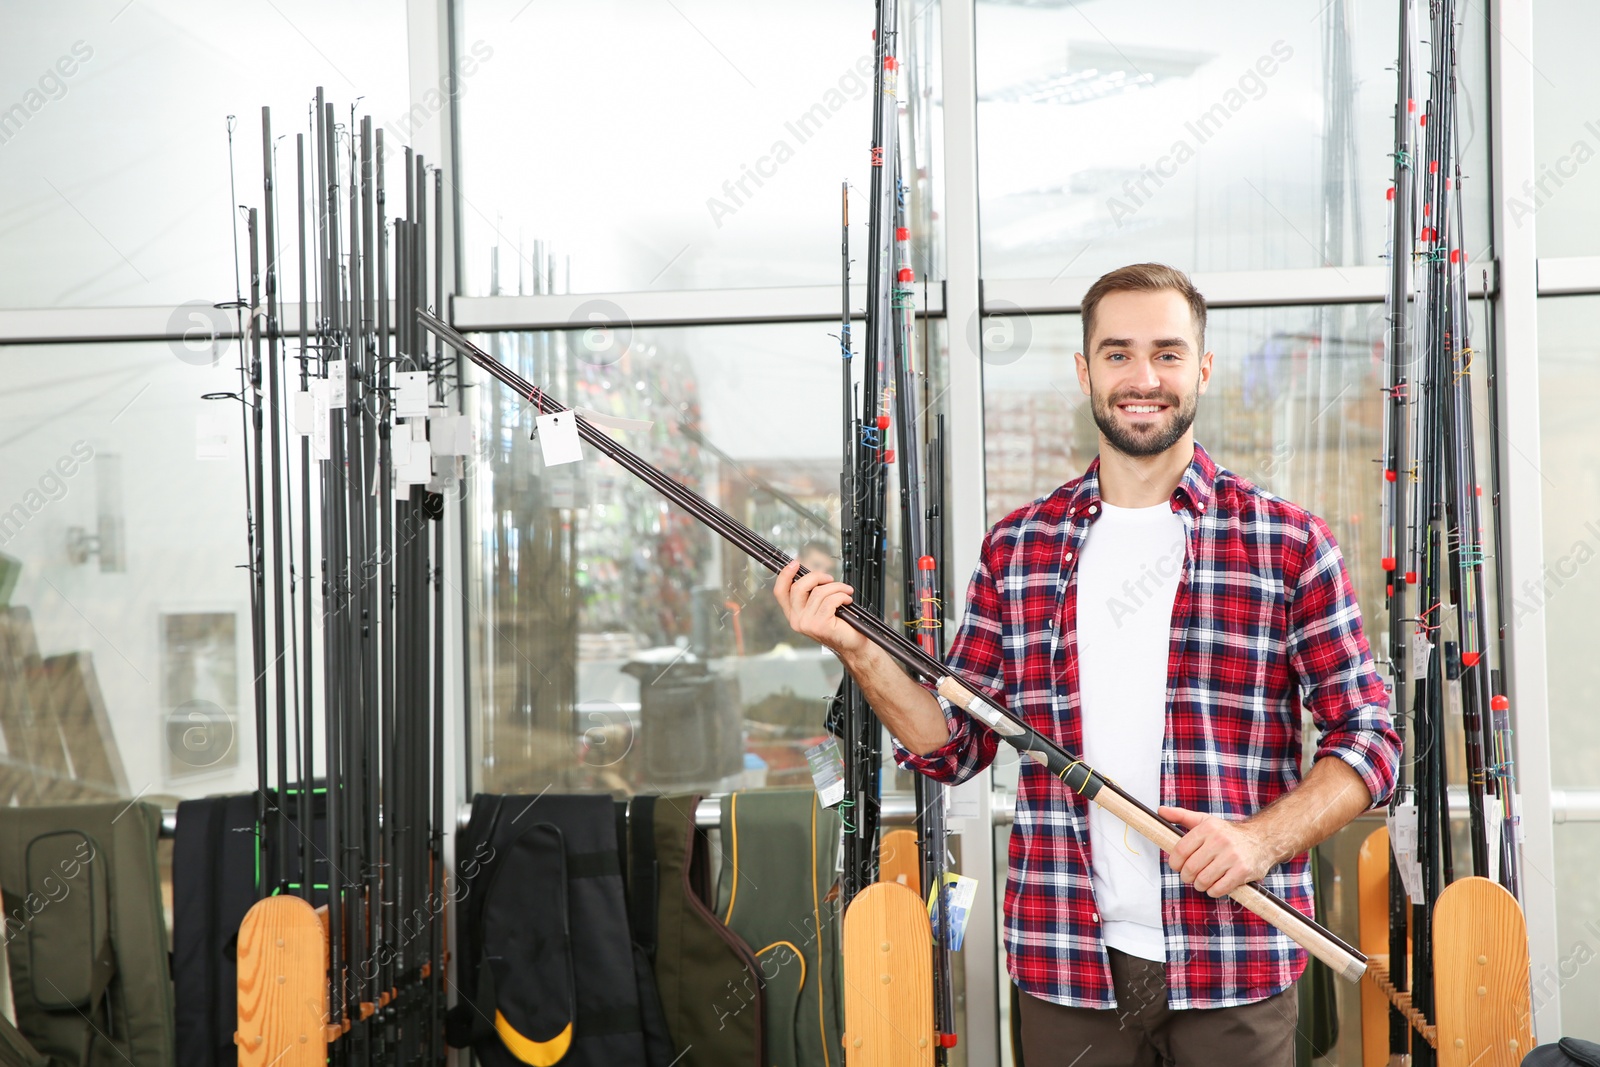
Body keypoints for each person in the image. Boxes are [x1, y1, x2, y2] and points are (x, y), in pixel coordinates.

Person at [773, 263, 1400, 1066]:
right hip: (1064, 962)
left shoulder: (1287, 544)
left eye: (1169, 354)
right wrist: (858, 648)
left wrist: (1261, 840)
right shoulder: (1019, 547)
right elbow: (953, 745)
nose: (1144, 378)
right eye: (1118, 354)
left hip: (1235, 957)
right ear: (1085, 371)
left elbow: (1372, 740)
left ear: (1202, 367)